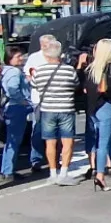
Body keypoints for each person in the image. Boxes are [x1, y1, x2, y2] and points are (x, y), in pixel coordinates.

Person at [30, 34, 82, 184]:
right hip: (66, 109)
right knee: (67, 142)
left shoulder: (39, 71)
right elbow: (75, 85)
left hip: (47, 109)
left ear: (46, 55)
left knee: (50, 142)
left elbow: (35, 86)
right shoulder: (69, 70)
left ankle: (52, 173)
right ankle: (64, 172)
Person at [83, 38, 111, 189]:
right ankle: (100, 176)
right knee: (104, 143)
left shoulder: (90, 68)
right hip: (106, 106)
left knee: (109, 140)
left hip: (93, 109)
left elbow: (85, 90)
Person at [0, 48, 32, 181]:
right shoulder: (14, 72)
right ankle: (8, 171)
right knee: (14, 140)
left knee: (10, 141)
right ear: (10, 58)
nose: (21, 58)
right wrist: (23, 101)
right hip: (17, 107)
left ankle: (6, 169)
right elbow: (13, 90)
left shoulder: (6, 71)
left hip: (11, 108)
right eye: (18, 56)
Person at [23, 39, 50, 175]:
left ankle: (55, 160)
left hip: (54, 100)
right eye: (45, 44)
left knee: (54, 131)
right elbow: (27, 76)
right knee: (38, 130)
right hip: (38, 99)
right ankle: (36, 160)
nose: (47, 46)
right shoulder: (34, 58)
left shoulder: (56, 56)